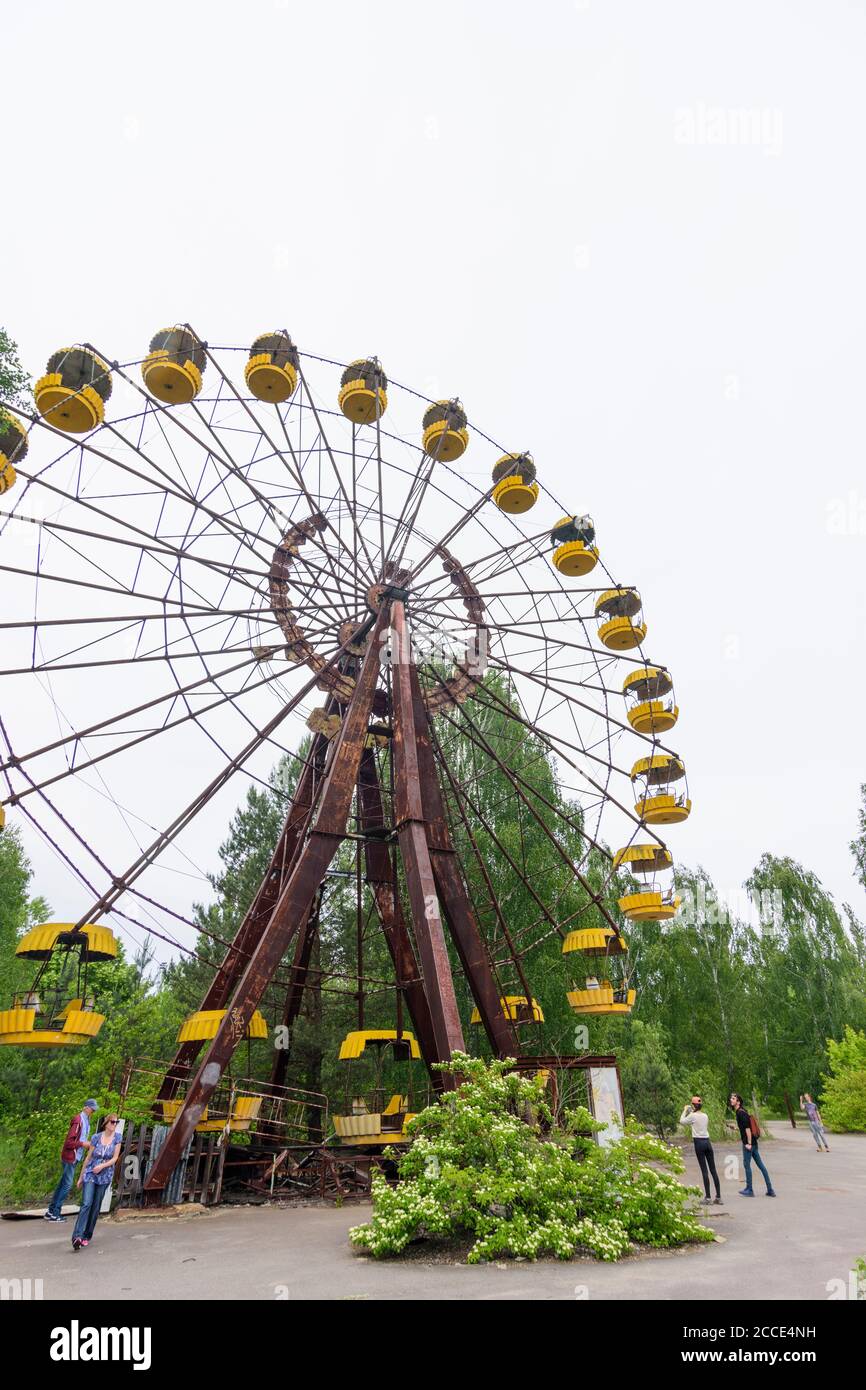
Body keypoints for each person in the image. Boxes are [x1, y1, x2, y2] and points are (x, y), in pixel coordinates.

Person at [71, 1114, 122, 1251]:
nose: (114, 1124)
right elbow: (88, 1158)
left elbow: (115, 1158)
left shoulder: (117, 1138)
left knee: (96, 1205)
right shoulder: (96, 1138)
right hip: (91, 1174)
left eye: (116, 1122)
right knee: (86, 1203)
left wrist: (102, 1166)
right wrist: (81, 1177)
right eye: (112, 1122)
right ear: (106, 1123)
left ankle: (87, 1235)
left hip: (105, 1175)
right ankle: (77, 1236)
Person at [44, 1099, 98, 1222]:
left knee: (62, 1184)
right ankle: (55, 1213)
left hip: (74, 1156)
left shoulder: (86, 1121)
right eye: (92, 1109)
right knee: (67, 1185)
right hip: (70, 1157)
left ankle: (51, 1211)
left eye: (94, 1109)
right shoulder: (78, 1120)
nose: (93, 1111)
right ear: (86, 1107)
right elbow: (69, 1142)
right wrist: (83, 1144)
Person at [730, 1092, 776, 1197]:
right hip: (753, 1143)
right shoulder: (741, 1112)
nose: (731, 1100)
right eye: (731, 1098)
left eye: (733, 1098)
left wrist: (749, 1143)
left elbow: (747, 1129)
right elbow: (744, 1127)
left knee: (747, 1165)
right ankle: (770, 1189)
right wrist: (736, 1128)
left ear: (738, 1101)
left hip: (749, 1144)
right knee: (761, 1166)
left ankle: (749, 1189)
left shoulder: (741, 1113)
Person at [680, 1095, 723, 1205]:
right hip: (708, 1142)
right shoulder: (705, 1115)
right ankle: (718, 1197)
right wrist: (692, 1111)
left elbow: (682, 1121)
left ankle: (708, 1198)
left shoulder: (692, 1116)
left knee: (704, 1170)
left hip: (699, 1143)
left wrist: (685, 1110)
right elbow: (696, 1118)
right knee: (713, 1170)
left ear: (693, 1106)